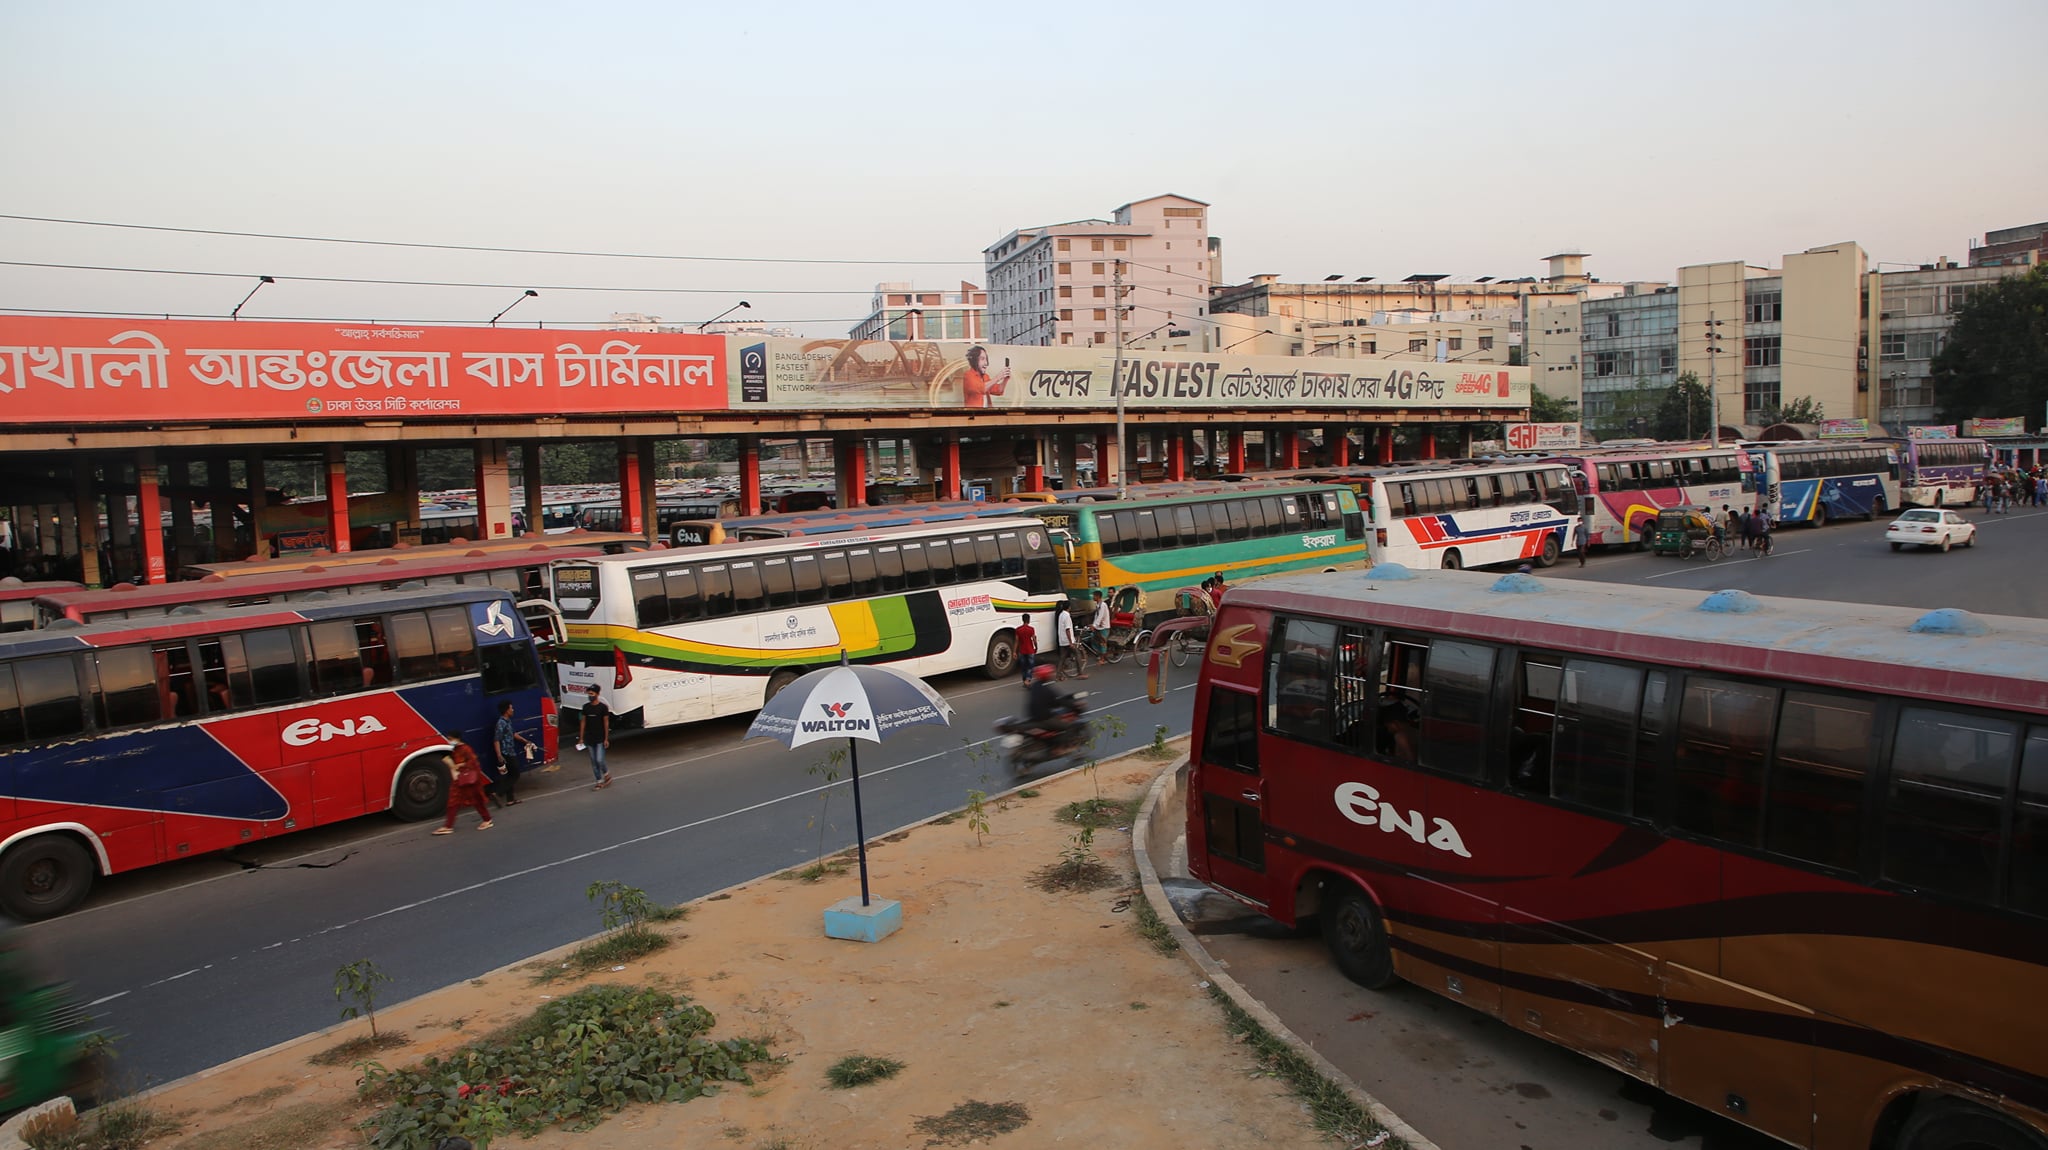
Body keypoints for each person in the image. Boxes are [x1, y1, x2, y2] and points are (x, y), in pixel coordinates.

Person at [434, 731, 494, 834]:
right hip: (459, 779)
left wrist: (460, 765)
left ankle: (487, 819)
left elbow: (474, 763)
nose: (449, 741)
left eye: (451, 738)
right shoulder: (455, 749)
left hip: (469, 779)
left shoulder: (466, 749)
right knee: (453, 801)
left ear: (457, 738)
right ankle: (448, 826)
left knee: (476, 800)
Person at [492, 701, 536, 807]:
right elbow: (496, 739)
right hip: (506, 753)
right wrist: (499, 754)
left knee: (510, 775)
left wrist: (526, 741)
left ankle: (510, 799)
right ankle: (498, 793)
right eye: (511, 708)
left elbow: (513, 734)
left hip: (510, 751)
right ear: (507, 710)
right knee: (515, 774)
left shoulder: (508, 721)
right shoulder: (501, 723)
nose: (513, 710)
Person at [578, 684, 613, 790]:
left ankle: (606, 773)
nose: (590, 696)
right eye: (589, 694)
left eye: (592, 694)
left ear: (597, 694)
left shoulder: (603, 708)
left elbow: (606, 723)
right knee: (593, 761)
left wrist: (606, 738)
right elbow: (583, 722)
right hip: (589, 738)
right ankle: (599, 781)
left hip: (600, 738)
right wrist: (581, 738)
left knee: (599, 759)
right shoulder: (586, 707)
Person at [1054, 599, 1084, 680]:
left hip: (1062, 640)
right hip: (1067, 640)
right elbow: (1067, 629)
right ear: (1069, 607)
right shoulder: (1067, 616)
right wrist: (1071, 642)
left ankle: (1058, 675)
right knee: (1077, 654)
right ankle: (1080, 673)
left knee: (1062, 657)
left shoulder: (1061, 615)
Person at [1014, 614, 1039, 685]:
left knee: (1023, 666)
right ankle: (1028, 679)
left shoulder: (1018, 629)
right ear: (1029, 620)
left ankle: (1024, 679)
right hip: (1030, 650)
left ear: (1022, 620)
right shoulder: (1031, 629)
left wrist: (1014, 652)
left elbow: (1016, 641)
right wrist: (1036, 647)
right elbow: (1034, 639)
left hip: (1022, 651)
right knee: (1030, 666)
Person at [1089, 590, 1112, 666]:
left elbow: (1100, 616)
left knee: (1102, 643)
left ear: (1098, 596)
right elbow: (1096, 616)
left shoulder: (1103, 605)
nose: (1093, 597)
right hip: (1098, 627)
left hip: (1104, 627)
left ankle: (1102, 659)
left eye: (1094, 596)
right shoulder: (1098, 605)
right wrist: (1093, 625)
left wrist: (1094, 625)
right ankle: (1101, 654)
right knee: (1093, 639)